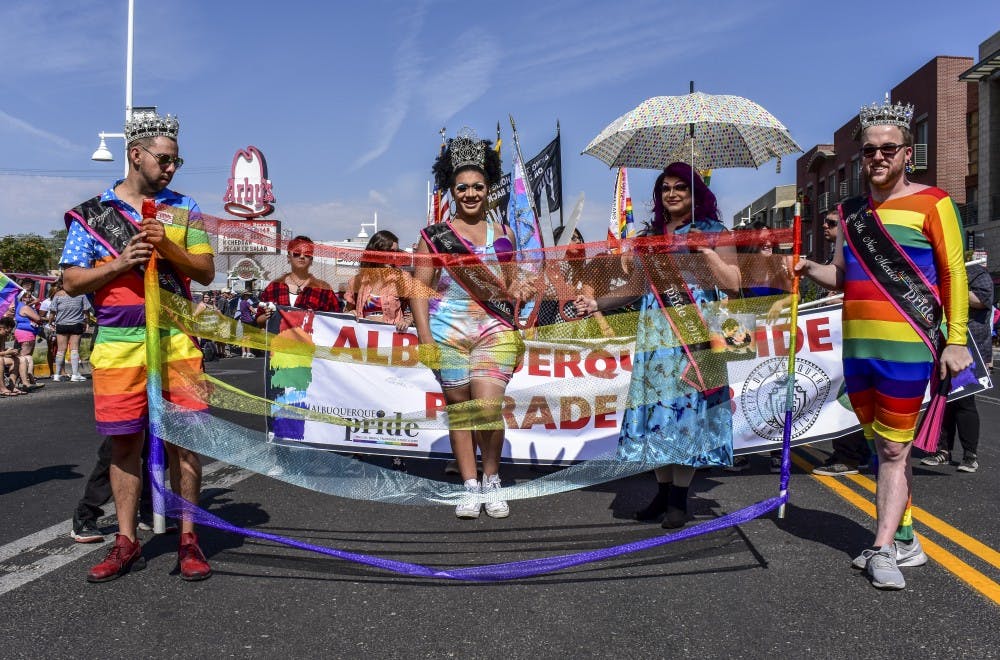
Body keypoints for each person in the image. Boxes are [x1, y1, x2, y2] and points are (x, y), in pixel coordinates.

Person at [795, 97, 970, 590]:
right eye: (870, 151)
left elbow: (955, 272)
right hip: (858, 348)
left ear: (906, 154)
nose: (877, 158)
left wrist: (955, 339)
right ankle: (908, 537)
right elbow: (842, 277)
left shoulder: (934, 202)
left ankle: (883, 548)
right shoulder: (849, 212)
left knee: (894, 451)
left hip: (907, 348)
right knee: (881, 448)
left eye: (887, 149)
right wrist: (809, 269)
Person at [59, 108, 214, 582]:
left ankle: (189, 538)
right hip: (118, 343)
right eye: (164, 159)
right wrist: (121, 262)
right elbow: (71, 280)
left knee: (184, 442)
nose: (170, 168)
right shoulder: (91, 216)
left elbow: (205, 272)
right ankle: (126, 541)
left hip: (176, 339)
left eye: (175, 161)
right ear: (135, 154)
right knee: (124, 443)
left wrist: (167, 246)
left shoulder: (183, 209)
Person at [586, 162, 740, 528]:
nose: (672, 194)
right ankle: (662, 491)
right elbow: (636, 288)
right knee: (657, 410)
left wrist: (706, 252)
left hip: (698, 330)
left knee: (688, 410)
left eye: (680, 188)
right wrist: (598, 303)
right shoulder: (650, 237)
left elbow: (734, 283)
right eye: (665, 188)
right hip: (656, 333)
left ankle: (678, 500)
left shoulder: (716, 232)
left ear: (695, 193)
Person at [412, 128, 533, 519]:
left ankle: (492, 478)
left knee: (488, 408)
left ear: (488, 188)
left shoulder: (505, 235)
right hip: (447, 333)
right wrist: (425, 339)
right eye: (461, 187)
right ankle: (468, 485)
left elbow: (511, 287)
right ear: (451, 190)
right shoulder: (434, 238)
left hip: (493, 331)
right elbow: (419, 290)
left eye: (477, 187)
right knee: (461, 411)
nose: (469, 194)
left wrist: (522, 290)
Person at [812, 209, 872, 476]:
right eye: (824, 222)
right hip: (835, 339)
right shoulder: (834, 258)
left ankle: (850, 455)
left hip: (852, 336)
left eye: (832, 223)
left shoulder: (861, 256)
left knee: (847, 394)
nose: (825, 226)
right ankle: (852, 453)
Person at [921, 254, 992, 473]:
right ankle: (943, 450)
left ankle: (970, 455)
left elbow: (983, 300)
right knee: (943, 401)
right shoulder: (938, 274)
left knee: (964, 401)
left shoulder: (976, 272)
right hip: (942, 344)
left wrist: (953, 289)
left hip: (967, 347)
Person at [255, 235, 341, 328]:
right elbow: (258, 320)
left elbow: (336, 321)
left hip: (309, 341)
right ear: (288, 257)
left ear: (311, 259)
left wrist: (352, 314)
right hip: (279, 341)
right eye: (297, 253)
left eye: (307, 254)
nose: (302, 256)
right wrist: (268, 315)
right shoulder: (274, 287)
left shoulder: (323, 289)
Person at [49, 280, 92, 382]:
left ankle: (57, 375)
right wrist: (87, 322)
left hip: (61, 324)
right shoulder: (81, 294)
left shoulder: (58, 295)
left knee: (60, 350)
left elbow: (52, 311)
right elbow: (86, 311)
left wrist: (50, 322)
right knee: (74, 349)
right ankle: (75, 374)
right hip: (76, 324)